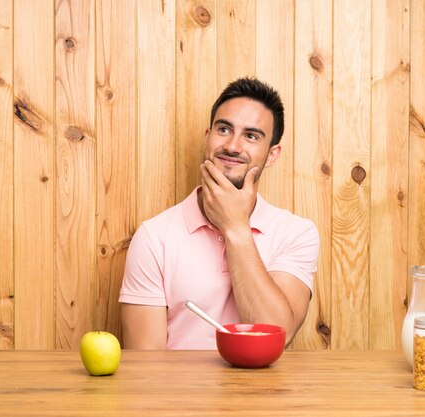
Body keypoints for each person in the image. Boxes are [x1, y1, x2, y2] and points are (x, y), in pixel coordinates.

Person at [119, 77, 320, 349]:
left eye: (251, 136)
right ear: (208, 137)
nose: (233, 146)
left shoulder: (296, 233)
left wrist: (235, 227)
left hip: (262, 393)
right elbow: (144, 365)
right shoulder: (154, 237)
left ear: (272, 155)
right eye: (224, 129)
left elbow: (275, 335)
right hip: (178, 392)